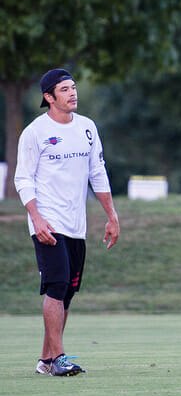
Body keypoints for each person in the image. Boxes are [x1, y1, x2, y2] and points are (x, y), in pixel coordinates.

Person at [15, 68, 120, 377]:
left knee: (68, 293)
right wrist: (36, 217)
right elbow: (23, 178)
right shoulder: (35, 132)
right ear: (49, 97)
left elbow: (97, 174)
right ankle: (59, 357)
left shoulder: (87, 128)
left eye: (74, 88)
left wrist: (111, 215)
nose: (73, 93)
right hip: (47, 223)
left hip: (77, 225)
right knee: (57, 285)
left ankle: (46, 361)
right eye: (64, 89)